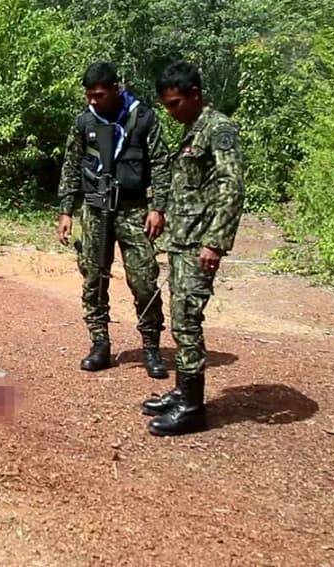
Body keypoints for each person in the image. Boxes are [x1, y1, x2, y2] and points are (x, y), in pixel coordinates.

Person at [141, 60, 245, 436]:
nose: (170, 111)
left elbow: (230, 187)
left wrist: (214, 242)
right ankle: (183, 392)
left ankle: (192, 408)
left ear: (195, 95)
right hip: (184, 240)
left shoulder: (218, 129)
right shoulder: (193, 129)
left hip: (200, 242)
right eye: (166, 104)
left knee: (187, 319)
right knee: (180, 315)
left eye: (174, 103)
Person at [57, 62, 170, 379]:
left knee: (144, 281)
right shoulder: (84, 122)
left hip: (134, 209)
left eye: (99, 94)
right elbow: (71, 164)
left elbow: (161, 163)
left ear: (116, 88)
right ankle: (99, 344)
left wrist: (157, 207)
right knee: (94, 279)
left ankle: (151, 347)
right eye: (89, 95)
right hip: (94, 209)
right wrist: (66, 210)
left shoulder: (143, 118)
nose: (93, 100)